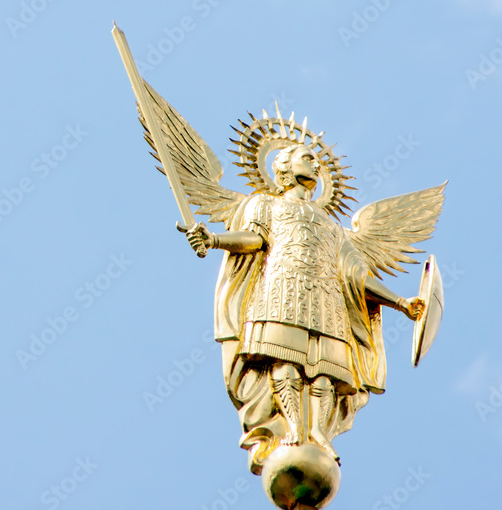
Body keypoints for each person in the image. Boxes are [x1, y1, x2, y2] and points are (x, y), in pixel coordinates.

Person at [180, 145, 424, 469]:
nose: (316, 163)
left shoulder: (334, 228)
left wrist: (400, 302)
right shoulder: (265, 205)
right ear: (283, 166)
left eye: (316, 159)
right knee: (286, 363)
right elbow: (254, 240)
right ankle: (293, 426)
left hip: (325, 300)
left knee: (326, 374)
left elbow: (354, 276)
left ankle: (320, 432)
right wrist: (213, 240)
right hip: (282, 289)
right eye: (307, 158)